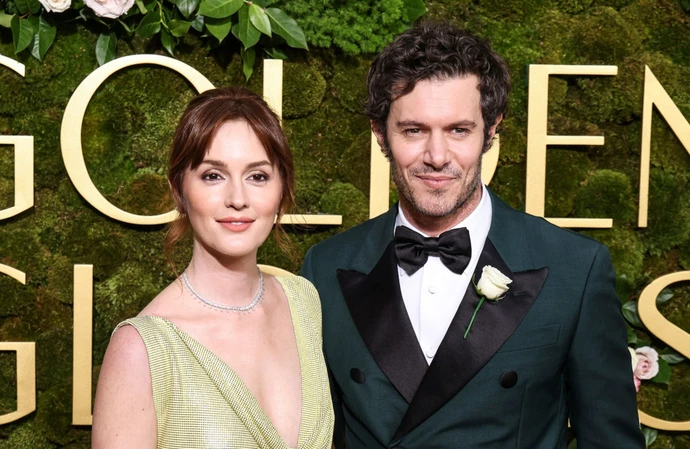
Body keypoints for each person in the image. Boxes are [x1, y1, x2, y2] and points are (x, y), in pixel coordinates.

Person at [301, 23, 644, 449]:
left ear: (491, 128)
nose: (437, 156)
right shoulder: (325, 267)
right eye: (414, 130)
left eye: (458, 130)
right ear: (379, 132)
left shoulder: (576, 269)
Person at [92, 87, 334, 449]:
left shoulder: (305, 303)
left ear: (282, 188)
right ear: (180, 189)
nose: (237, 198)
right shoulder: (141, 349)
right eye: (212, 175)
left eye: (258, 176)